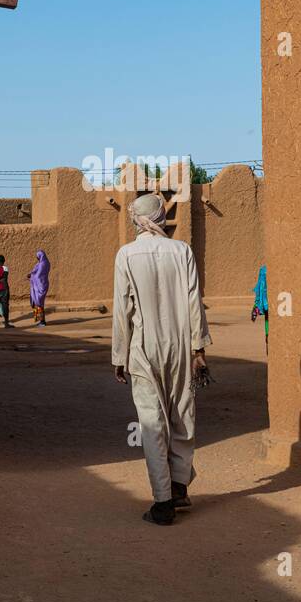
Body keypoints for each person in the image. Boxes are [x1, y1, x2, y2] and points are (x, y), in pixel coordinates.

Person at [111, 193, 210, 525]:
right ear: (160, 216)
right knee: (182, 413)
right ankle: (179, 486)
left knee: (152, 423)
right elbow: (195, 300)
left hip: (143, 346)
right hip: (181, 344)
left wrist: (119, 355)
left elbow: (122, 309)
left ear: (135, 219)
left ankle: (163, 501)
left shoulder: (126, 255)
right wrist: (199, 348)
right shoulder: (182, 251)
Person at [28, 250, 51, 326]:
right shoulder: (46, 263)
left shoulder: (41, 264)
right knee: (41, 303)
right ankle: (42, 321)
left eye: (37, 257)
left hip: (40, 285)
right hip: (44, 284)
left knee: (39, 303)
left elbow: (38, 276)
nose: (37, 258)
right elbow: (37, 272)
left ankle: (42, 321)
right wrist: (32, 274)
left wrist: (31, 277)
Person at [251, 264, 269, 352]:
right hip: (268, 304)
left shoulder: (264, 270)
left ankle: (268, 340)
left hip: (267, 304)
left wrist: (257, 305)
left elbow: (259, 289)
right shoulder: (264, 271)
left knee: (268, 321)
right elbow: (260, 288)